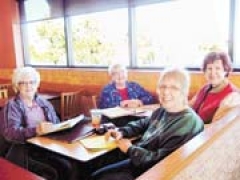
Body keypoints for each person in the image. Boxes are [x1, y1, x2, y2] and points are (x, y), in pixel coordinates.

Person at [89, 67, 204, 180]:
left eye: (174, 87)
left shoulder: (188, 123)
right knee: (92, 164)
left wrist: (130, 149)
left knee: (98, 176)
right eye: (162, 86)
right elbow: (144, 123)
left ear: (184, 92)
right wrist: (122, 131)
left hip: (150, 171)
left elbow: (161, 162)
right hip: (139, 157)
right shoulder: (163, 110)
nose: (165, 92)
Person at [0, 67, 74, 180]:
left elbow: (56, 123)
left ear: (37, 84)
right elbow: (9, 133)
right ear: (17, 86)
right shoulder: (12, 106)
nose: (28, 86)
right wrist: (35, 130)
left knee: (71, 165)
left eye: (32, 82)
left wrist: (62, 126)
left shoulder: (43, 102)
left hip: (47, 146)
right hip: (25, 151)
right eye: (23, 83)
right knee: (56, 171)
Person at [190, 51, 240, 124]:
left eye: (218, 68)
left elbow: (216, 127)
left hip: (206, 133)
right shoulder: (206, 87)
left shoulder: (232, 96)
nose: (213, 73)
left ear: (225, 70)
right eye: (209, 68)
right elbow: (190, 106)